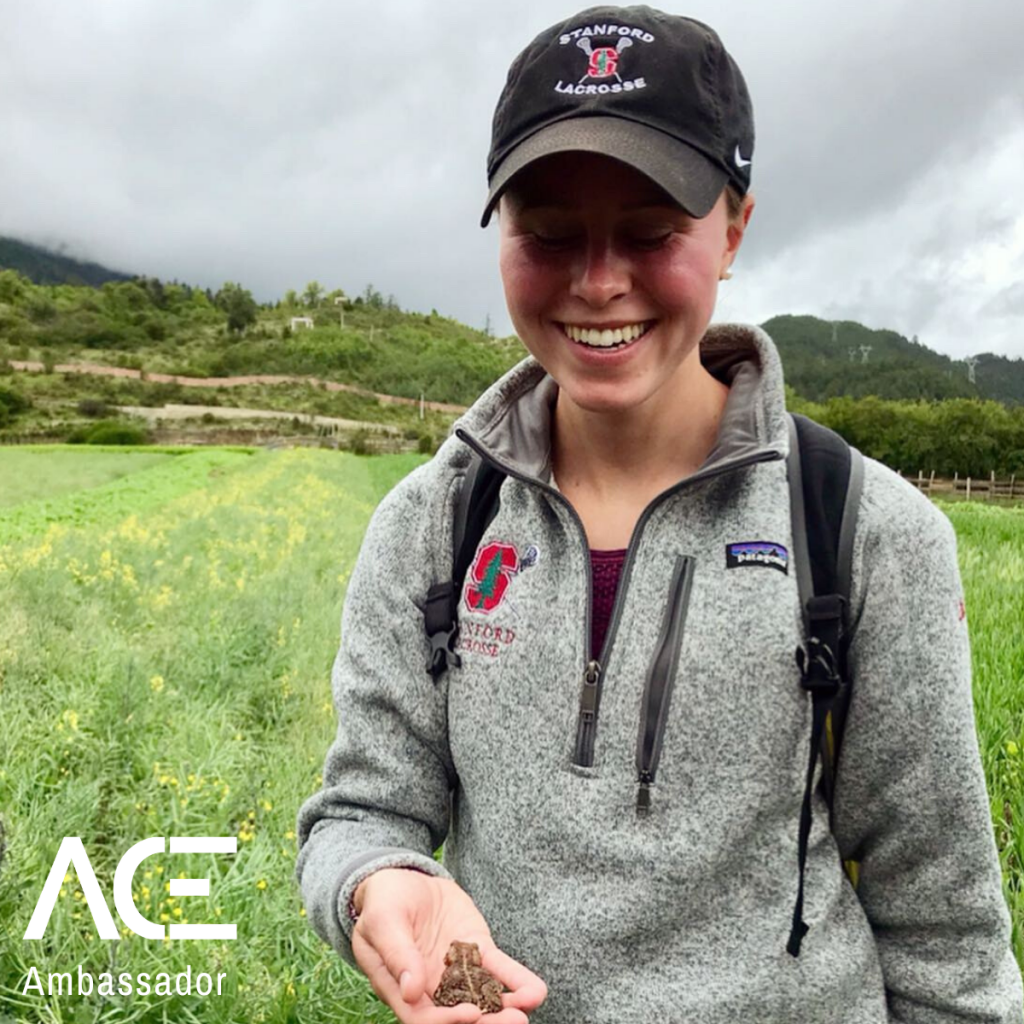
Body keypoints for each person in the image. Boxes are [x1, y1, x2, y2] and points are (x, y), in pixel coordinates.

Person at [295, 7, 1023, 1022]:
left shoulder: (865, 533)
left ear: (733, 227)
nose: (599, 283)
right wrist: (377, 881)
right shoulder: (433, 522)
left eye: (650, 232)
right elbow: (363, 809)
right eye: (548, 233)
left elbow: (944, 937)